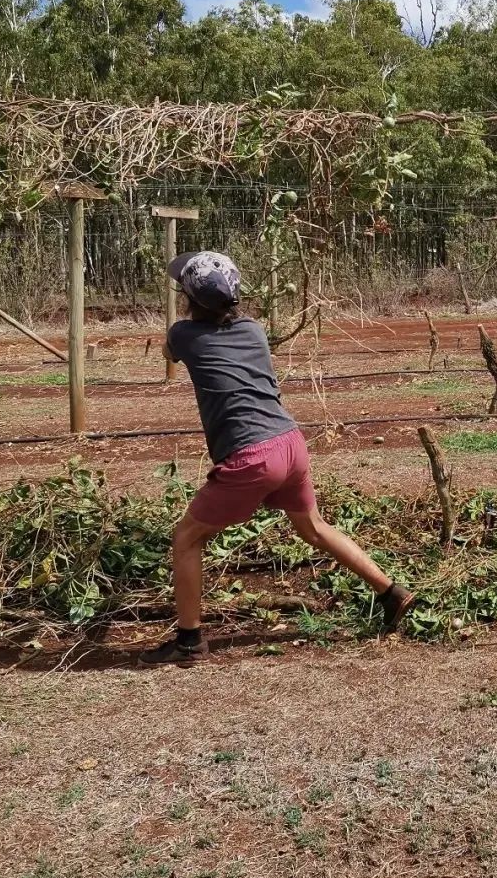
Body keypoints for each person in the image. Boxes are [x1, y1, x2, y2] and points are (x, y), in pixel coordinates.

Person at [140, 250, 420, 667]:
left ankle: (189, 640)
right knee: (314, 527)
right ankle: (392, 592)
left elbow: (168, 351)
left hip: (251, 456)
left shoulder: (184, 335)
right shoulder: (253, 330)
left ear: (189, 299)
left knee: (187, 538)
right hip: (290, 442)